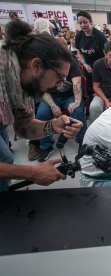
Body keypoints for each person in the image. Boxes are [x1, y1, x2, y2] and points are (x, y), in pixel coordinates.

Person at [0, 20, 83, 190]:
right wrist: (30, 173)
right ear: (37, 65)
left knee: (5, 158)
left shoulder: (21, 76)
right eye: (59, 78)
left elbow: (23, 126)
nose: (59, 86)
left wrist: (54, 125)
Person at [35, 49, 88, 161]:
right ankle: (46, 146)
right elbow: (42, 89)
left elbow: (77, 82)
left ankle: (83, 141)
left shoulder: (71, 61)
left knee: (77, 111)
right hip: (50, 96)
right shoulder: (43, 65)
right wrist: (53, 105)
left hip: (69, 96)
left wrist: (77, 102)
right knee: (41, 114)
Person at [75, 11, 108, 112]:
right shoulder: (79, 36)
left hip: (101, 68)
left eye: (85, 22)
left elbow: (107, 55)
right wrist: (84, 64)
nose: (83, 25)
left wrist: (99, 67)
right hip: (87, 68)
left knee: (101, 91)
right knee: (89, 92)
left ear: (91, 22)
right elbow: (79, 53)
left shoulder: (100, 36)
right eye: (80, 23)